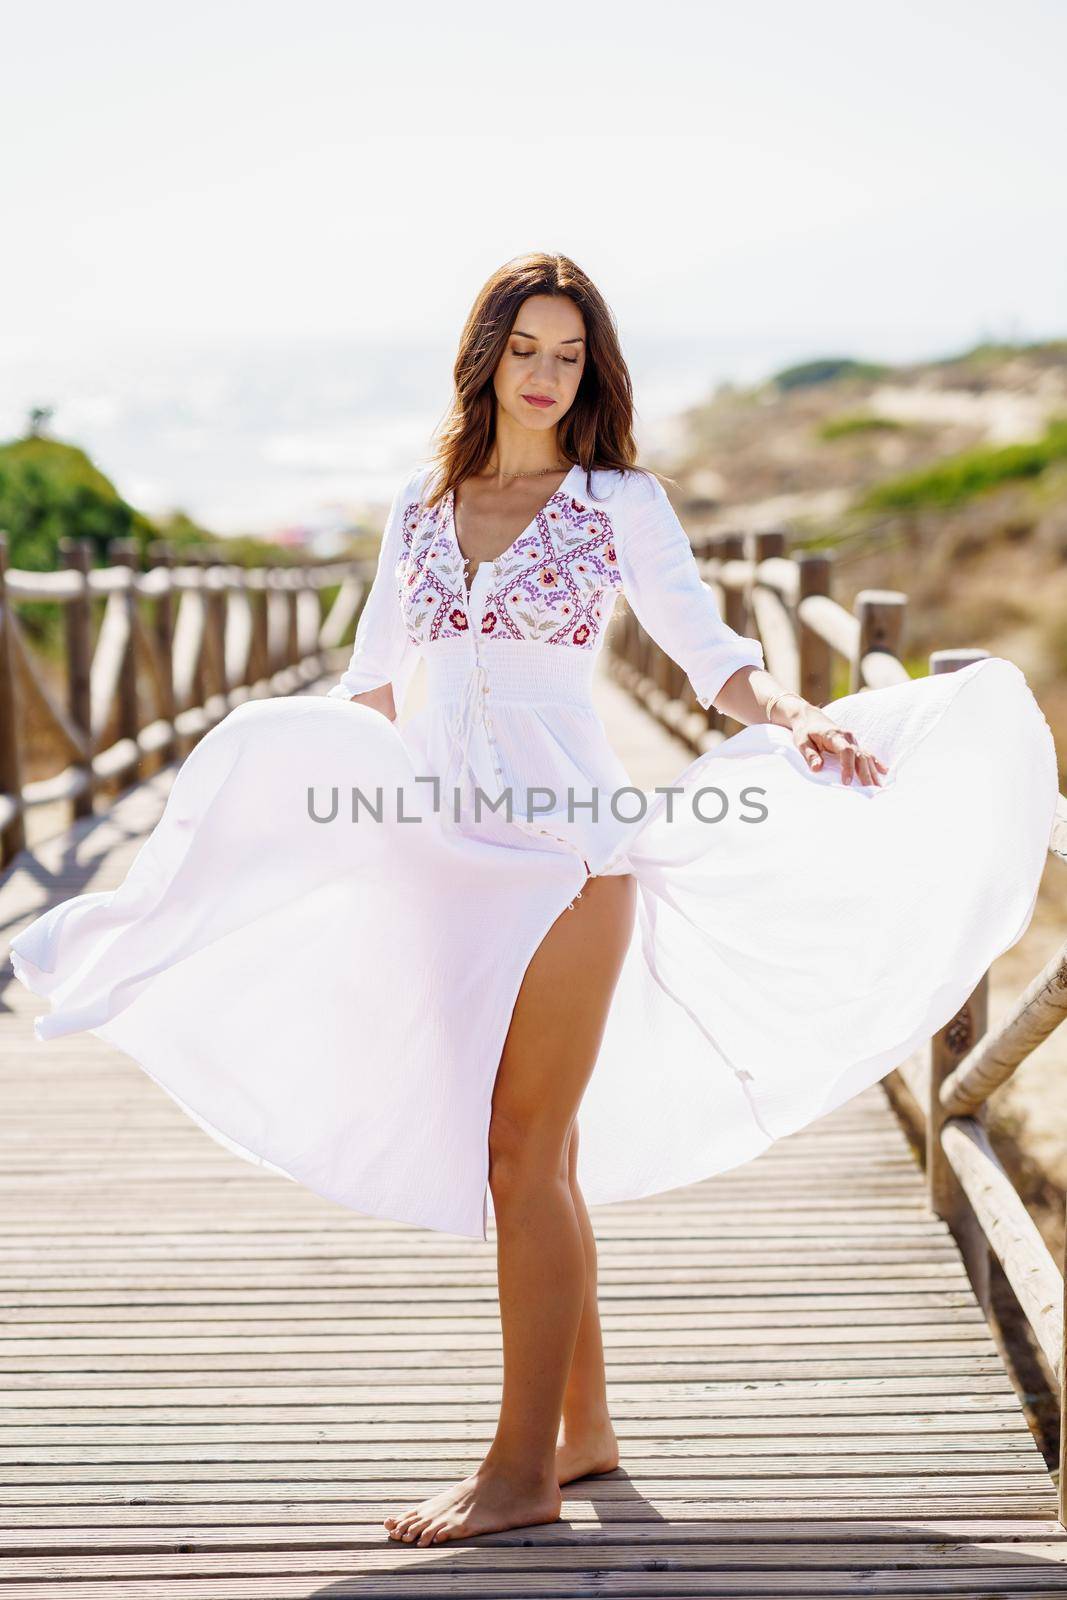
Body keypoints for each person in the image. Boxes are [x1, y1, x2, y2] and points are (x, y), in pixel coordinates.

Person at [8, 253, 1058, 1548]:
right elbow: (375, 681)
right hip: (443, 862)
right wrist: (278, 795)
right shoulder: (422, 504)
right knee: (531, 1165)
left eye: (571, 354)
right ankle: (589, 1427)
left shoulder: (618, 500)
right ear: (489, 355)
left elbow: (709, 651)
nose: (549, 375)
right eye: (529, 350)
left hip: (577, 862)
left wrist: (793, 715)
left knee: (521, 1150)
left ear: (591, 369)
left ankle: (520, 1473)